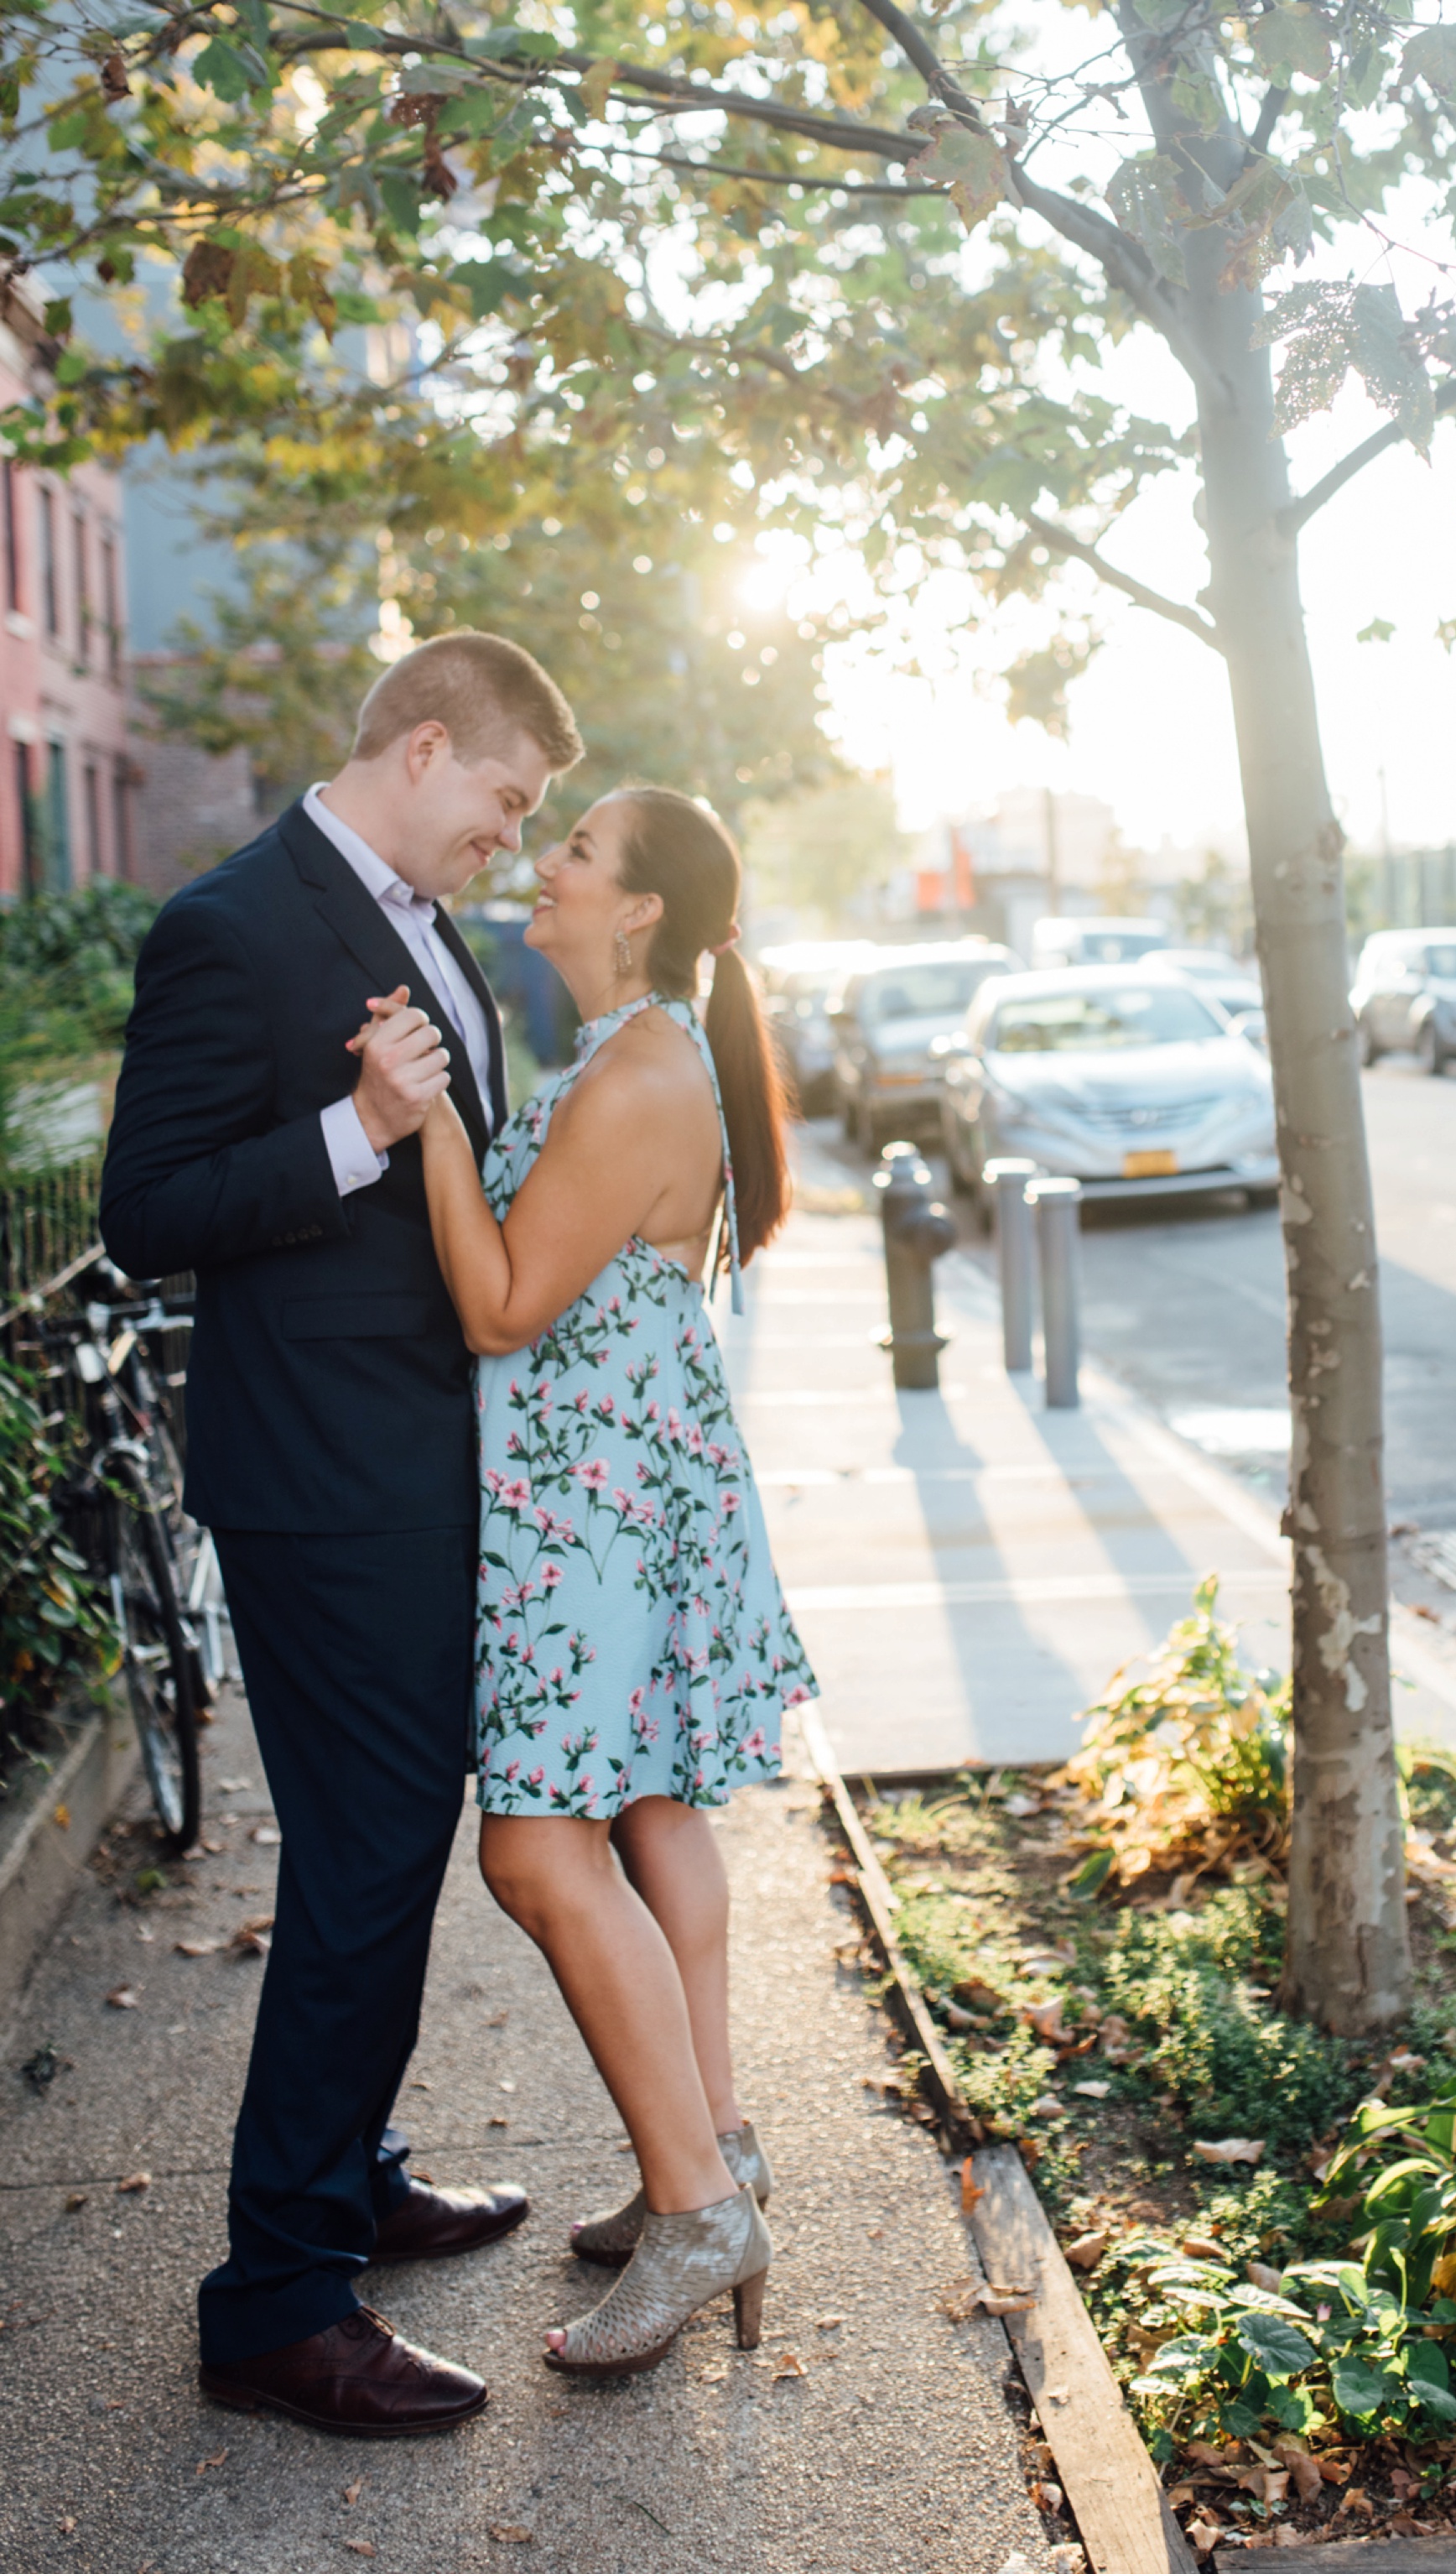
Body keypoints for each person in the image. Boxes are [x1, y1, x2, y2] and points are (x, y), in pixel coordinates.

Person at [99, 631, 585, 2436]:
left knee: (374, 1848)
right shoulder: (234, 921)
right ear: (428, 743)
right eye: (505, 803)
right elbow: (145, 1210)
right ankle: (280, 2299)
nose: (512, 842)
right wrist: (352, 1130)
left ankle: (353, 2171)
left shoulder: (419, 920)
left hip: (415, 1462)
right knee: (375, 1854)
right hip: (320, 1477)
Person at [349, 784, 815, 2378]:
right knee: (654, 1813)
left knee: (537, 1857)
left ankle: (699, 2211)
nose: (541, 864)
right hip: (625, 1487)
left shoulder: (633, 1074)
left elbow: (498, 1306)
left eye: (577, 850)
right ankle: (718, 2152)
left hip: (597, 1511)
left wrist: (431, 1138)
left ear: (638, 912)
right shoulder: (647, 1053)